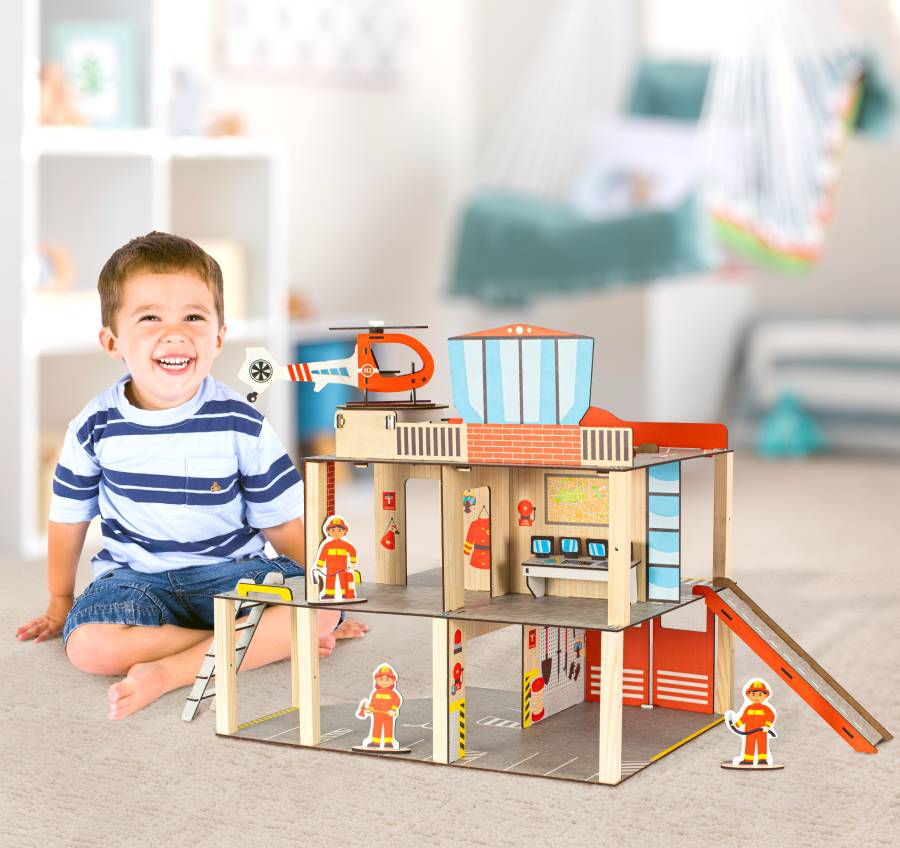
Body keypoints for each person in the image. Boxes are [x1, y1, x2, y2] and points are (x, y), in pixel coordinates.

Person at [15, 231, 367, 719]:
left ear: (218, 336)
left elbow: (283, 523)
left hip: (235, 574)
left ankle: (170, 671)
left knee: (323, 603)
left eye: (194, 318)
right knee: (87, 646)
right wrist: (59, 601)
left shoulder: (241, 423)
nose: (175, 334)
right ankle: (247, 642)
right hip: (136, 580)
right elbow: (68, 518)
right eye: (150, 318)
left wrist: (322, 591)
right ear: (112, 341)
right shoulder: (93, 427)